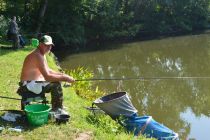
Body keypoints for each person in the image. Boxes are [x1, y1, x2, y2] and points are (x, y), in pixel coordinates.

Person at [17, 35, 75, 114]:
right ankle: (57, 109)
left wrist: (62, 74)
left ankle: (58, 106)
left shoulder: (41, 54)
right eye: (46, 45)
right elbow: (47, 77)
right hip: (27, 85)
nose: (48, 48)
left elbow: (48, 70)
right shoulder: (37, 55)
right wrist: (65, 78)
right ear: (40, 44)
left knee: (57, 80)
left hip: (32, 82)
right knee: (56, 83)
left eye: (50, 46)